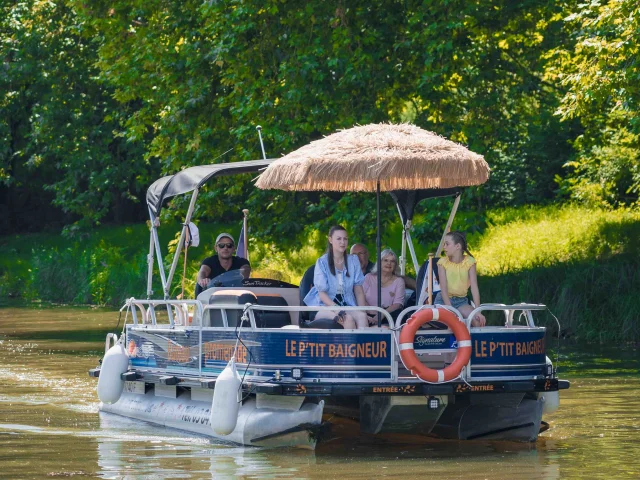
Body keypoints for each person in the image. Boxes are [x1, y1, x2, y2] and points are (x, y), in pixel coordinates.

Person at [304, 226, 369, 329]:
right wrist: (337, 309)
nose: (342, 242)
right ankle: (349, 345)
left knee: (362, 316)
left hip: (346, 304)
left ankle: (362, 345)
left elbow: (359, 290)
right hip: (323, 306)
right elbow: (322, 294)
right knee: (348, 319)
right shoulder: (322, 262)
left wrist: (362, 311)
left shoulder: (353, 260)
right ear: (330, 240)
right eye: (338, 239)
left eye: (345, 239)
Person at [435, 231, 486, 327]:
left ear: (457, 246)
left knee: (477, 321)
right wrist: (450, 309)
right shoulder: (442, 262)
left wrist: (478, 310)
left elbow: (474, 287)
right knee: (450, 322)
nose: (444, 247)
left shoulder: (470, 262)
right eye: (444, 244)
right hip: (443, 300)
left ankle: (472, 342)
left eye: (447, 244)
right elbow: (444, 288)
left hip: (461, 301)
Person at [362, 249, 406, 326]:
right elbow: (361, 297)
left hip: (388, 316)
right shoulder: (368, 277)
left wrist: (381, 314)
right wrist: (371, 312)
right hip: (369, 314)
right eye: (385, 260)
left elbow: (397, 304)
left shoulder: (399, 281)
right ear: (379, 263)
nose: (389, 263)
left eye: (392, 261)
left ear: (395, 265)